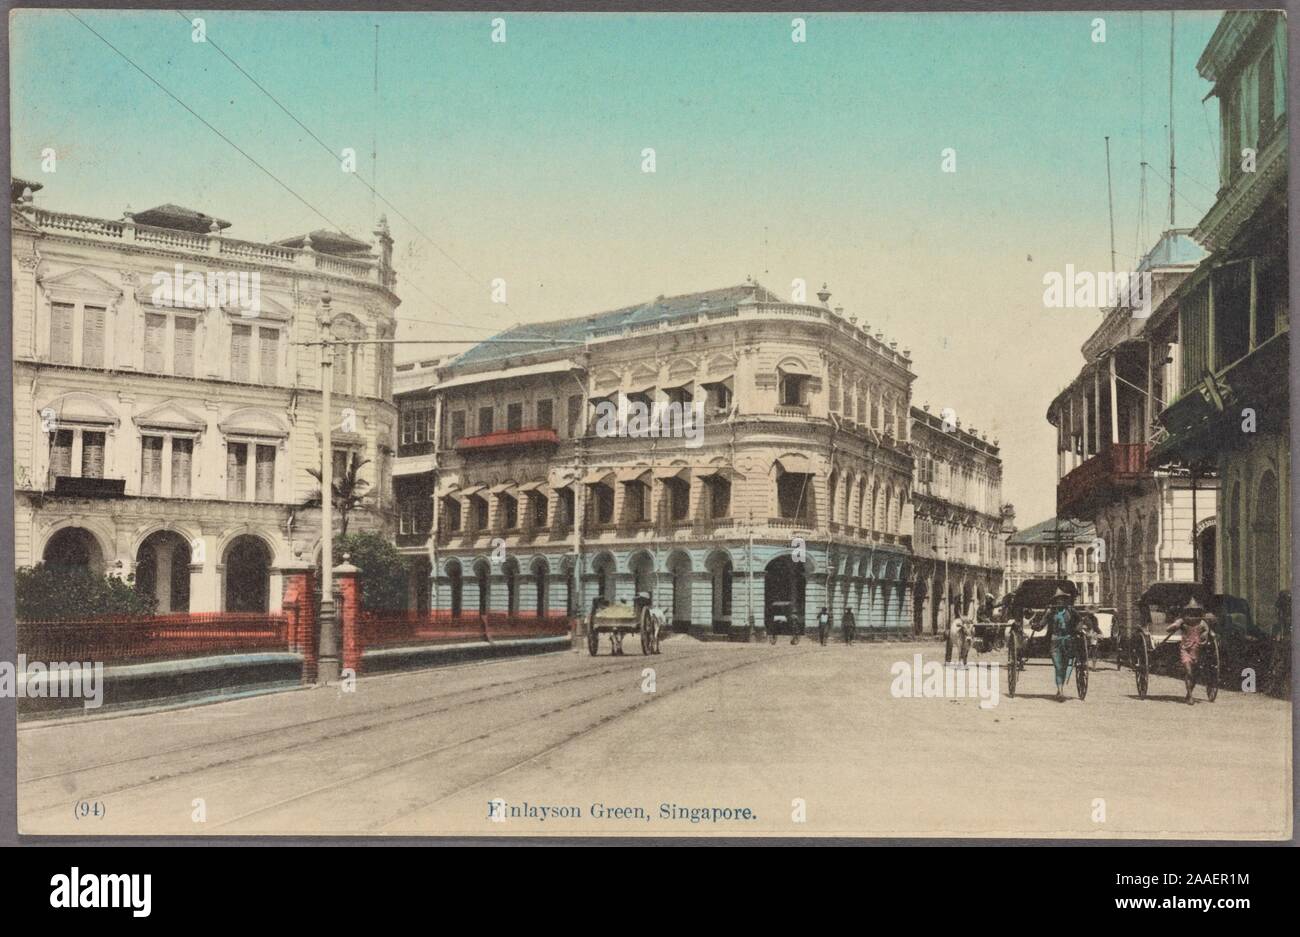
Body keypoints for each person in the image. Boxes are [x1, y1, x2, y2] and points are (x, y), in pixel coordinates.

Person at [1164, 597, 1212, 704]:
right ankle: (1190, 696)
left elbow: (1208, 632)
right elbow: (1168, 629)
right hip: (1185, 649)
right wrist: (1176, 625)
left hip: (1197, 650)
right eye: (1191, 611)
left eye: (1195, 611)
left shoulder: (1202, 623)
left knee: (1194, 674)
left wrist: (1205, 634)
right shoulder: (1182, 621)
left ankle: (1188, 693)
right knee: (1189, 672)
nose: (1193, 613)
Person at [1040, 588, 1080, 701]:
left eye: (1062, 600)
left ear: (1065, 601)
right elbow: (1042, 624)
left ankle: (1059, 688)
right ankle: (1061, 692)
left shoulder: (1071, 611)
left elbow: (1080, 621)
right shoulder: (1051, 612)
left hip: (1067, 640)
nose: (1060, 602)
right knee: (1058, 666)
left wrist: (1078, 629)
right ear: (1055, 601)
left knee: (1064, 666)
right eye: (1058, 600)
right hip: (1055, 641)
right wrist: (1037, 626)